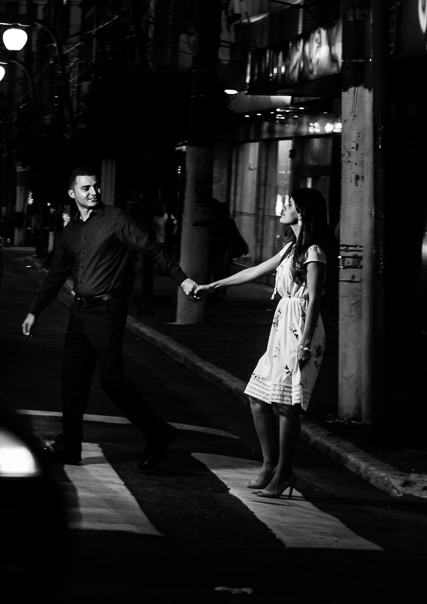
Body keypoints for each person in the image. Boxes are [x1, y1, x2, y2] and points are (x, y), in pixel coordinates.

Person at [21, 167, 201, 469]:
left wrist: (181, 279)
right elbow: (55, 274)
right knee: (72, 379)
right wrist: (34, 311)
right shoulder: (71, 231)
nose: (93, 192)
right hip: (79, 311)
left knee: (111, 379)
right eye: (86, 188)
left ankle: (158, 432)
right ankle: (69, 444)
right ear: (72, 193)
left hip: (107, 311)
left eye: (95, 187)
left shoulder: (115, 219)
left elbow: (152, 247)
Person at [196, 187, 328, 499]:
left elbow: (317, 301)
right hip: (281, 327)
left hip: (300, 326)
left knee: (286, 405)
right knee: (257, 396)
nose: (284, 207)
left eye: (290, 204)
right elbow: (255, 271)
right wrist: (213, 285)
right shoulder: (291, 249)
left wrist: (306, 343)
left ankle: (284, 472)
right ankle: (271, 465)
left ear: (303, 212)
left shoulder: (314, 253)